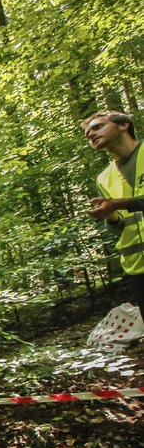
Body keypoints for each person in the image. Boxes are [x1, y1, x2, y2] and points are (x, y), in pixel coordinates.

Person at [83, 111, 144, 313]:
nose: (91, 134)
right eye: (88, 133)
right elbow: (119, 228)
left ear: (123, 125)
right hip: (138, 269)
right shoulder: (104, 178)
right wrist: (110, 217)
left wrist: (118, 203)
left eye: (98, 127)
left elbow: (121, 204)